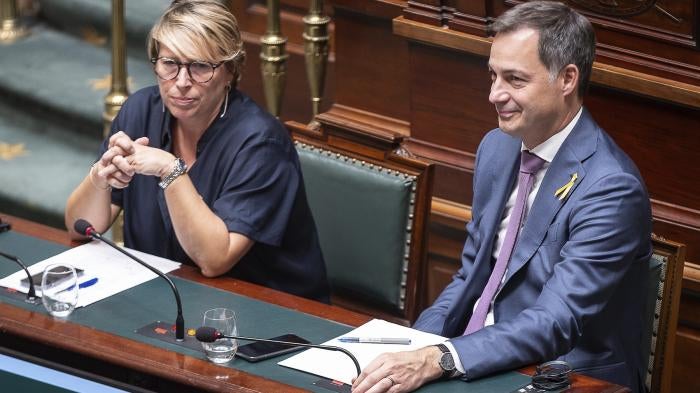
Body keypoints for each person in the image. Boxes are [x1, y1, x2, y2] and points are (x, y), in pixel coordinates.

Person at [352, 2, 651, 392]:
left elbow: (556, 321)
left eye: (514, 79)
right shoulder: (497, 148)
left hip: (563, 375)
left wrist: (441, 359)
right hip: (475, 361)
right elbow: (471, 276)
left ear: (567, 79)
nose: (495, 94)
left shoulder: (611, 188)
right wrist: (418, 347)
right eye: (492, 75)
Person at [64, 0, 330, 302]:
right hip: (165, 297)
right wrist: (100, 178)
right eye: (169, 64)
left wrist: (170, 170)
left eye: (200, 66)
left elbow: (214, 260)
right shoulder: (141, 111)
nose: (181, 83)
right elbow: (81, 227)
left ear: (230, 71)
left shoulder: (261, 143)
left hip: (265, 318)